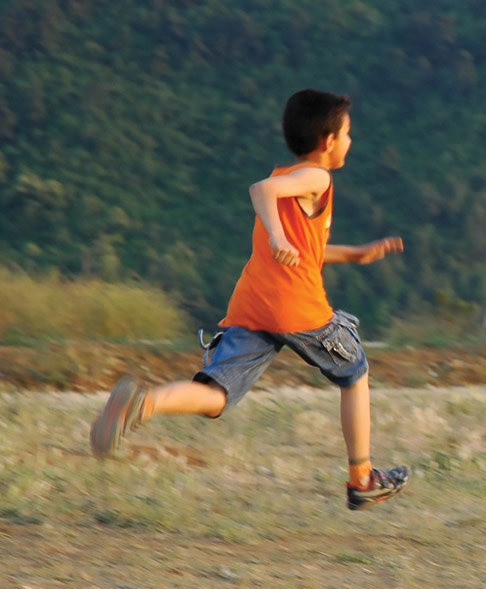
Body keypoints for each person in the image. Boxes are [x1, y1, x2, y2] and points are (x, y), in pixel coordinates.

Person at [90, 89, 410, 511]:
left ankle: (144, 402)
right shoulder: (316, 177)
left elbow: (306, 246)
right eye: (348, 133)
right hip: (295, 307)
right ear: (328, 141)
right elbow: (260, 190)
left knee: (217, 394)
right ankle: (362, 478)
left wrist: (356, 253)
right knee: (355, 371)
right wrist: (277, 236)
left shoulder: (293, 177)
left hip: (254, 304)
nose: (351, 141)